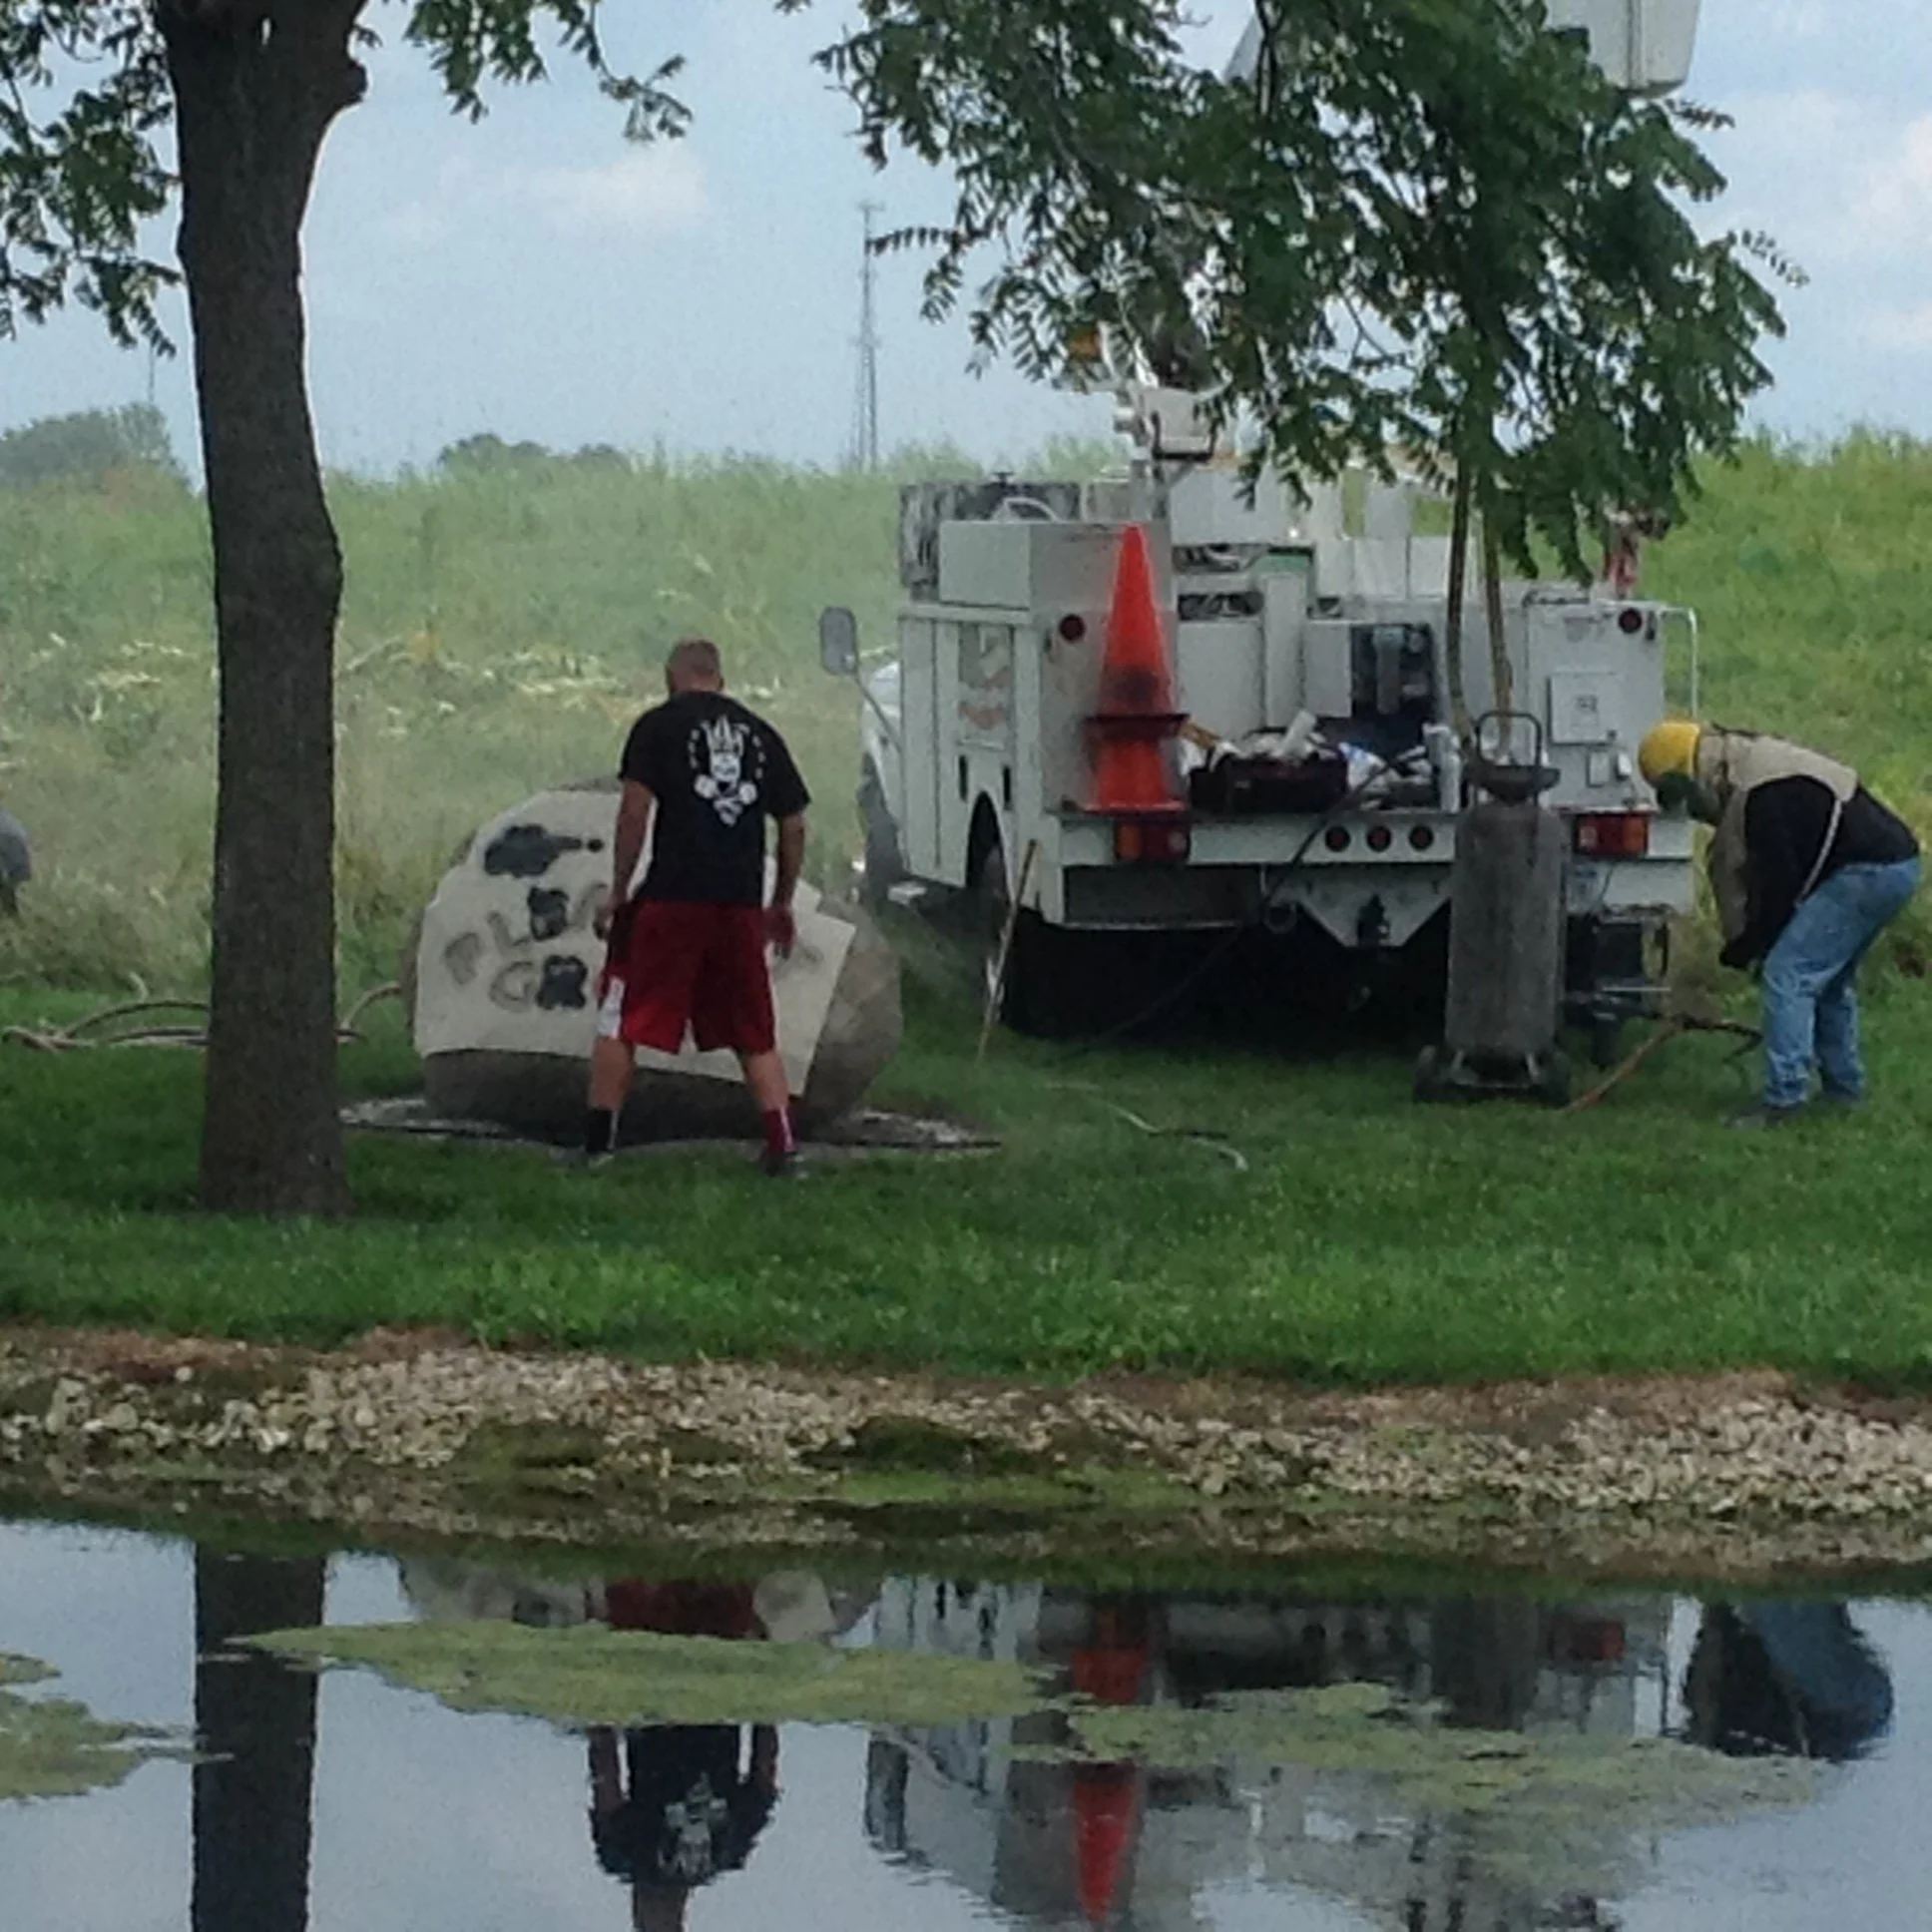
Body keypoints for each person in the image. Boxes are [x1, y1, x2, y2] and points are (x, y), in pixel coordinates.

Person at [582, 637, 810, 1175]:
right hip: (738, 905)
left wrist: (619, 890)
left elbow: (634, 811)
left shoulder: (657, 726)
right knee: (754, 1030)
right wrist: (780, 902)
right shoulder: (760, 733)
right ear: (720, 678)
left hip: (671, 898)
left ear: (670, 678)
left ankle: (597, 1148)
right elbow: (795, 825)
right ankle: (783, 1149)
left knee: (622, 1015)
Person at [1639, 720, 1920, 1126]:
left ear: (1689, 775)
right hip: (1896, 863)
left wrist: (1749, 945)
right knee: (1830, 982)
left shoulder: (1760, 794)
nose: (1695, 815)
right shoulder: (1753, 764)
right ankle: (1844, 1091)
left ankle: (1783, 1099)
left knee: (1788, 973)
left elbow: (1780, 883)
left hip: (1867, 871)